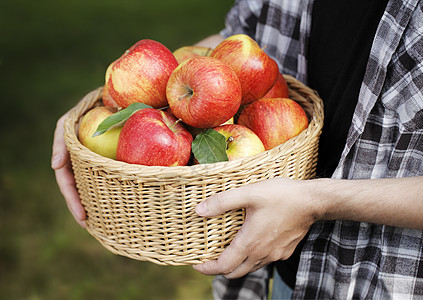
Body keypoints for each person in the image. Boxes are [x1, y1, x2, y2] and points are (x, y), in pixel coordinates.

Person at [52, 0, 423, 298]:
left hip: (376, 279)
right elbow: (229, 44)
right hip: (275, 271)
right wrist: (104, 110)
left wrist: (318, 201)